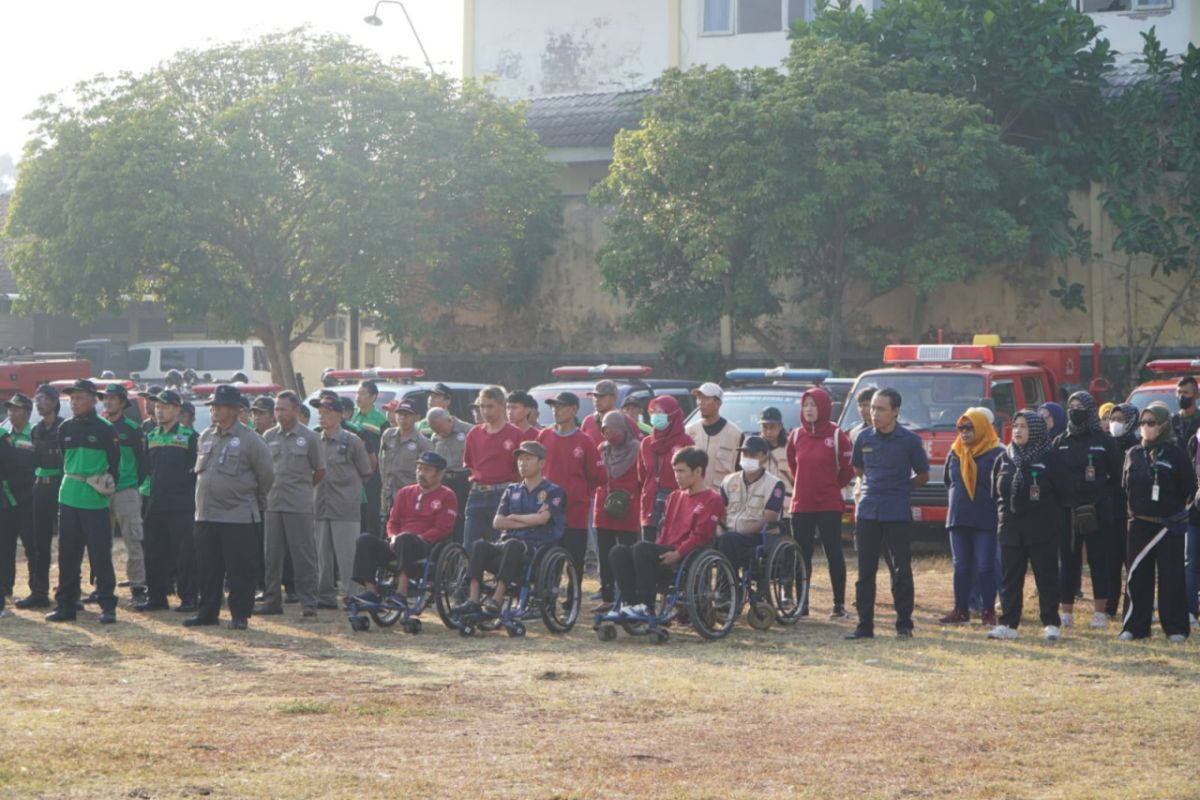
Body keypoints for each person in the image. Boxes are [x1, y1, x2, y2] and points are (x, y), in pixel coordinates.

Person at [186, 384, 274, 630]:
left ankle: (239, 614)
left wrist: (253, 499)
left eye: (220, 405)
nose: (214, 410)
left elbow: (267, 476)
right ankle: (208, 613)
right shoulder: (205, 436)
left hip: (238, 516)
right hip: (206, 515)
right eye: (213, 405)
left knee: (239, 570)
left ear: (236, 410)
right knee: (207, 569)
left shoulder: (250, 440)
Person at [846, 387, 929, 640]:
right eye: (872, 408)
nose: (875, 413)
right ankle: (864, 626)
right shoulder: (863, 438)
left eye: (881, 409)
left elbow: (923, 475)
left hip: (897, 512)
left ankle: (904, 624)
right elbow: (858, 469)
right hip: (868, 511)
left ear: (895, 412)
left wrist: (901, 488)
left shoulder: (910, 441)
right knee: (865, 571)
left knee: (901, 570)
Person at [453, 441, 566, 617]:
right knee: (479, 545)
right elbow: (498, 522)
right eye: (520, 459)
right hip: (505, 544)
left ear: (541, 463)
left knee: (514, 544)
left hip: (534, 548)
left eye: (528, 459)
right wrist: (528, 519)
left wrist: (513, 518)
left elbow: (542, 519)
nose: (522, 463)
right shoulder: (512, 490)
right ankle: (473, 600)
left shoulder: (553, 490)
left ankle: (497, 599)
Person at [610, 446, 724, 617]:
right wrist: (656, 550)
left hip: (687, 555)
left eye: (681, 471)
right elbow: (665, 530)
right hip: (666, 550)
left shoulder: (713, 499)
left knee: (641, 548)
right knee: (618, 551)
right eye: (675, 471)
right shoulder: (674, 496)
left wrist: (677, 554)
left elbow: (701, 536)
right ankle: (631, 604)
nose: (676, 476)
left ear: (698, 471)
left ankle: (646, 606)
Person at [987, 410, 1069, 641]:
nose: (1018, 431)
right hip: (1010, 527)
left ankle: (1051, 623)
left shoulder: (1050, 458)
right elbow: (995, 493)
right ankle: (1008, 624)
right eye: (1015, 426)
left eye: (1024, 426)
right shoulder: (1004, 458)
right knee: (1010, 577)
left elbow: (1063, 493)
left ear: (1035, 430)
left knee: (1046, 577)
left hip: (1042, 528)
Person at [46, 379, 122, 624]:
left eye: (79, 398)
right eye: (71, 398)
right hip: (68, 499)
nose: (74, 402)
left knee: (100, 556)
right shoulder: (65, 428)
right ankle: (66, 605)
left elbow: (114, 466)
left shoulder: (105, 429)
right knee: (67, 555)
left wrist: (104, 485)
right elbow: (62, 462)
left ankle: (107, 606)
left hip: (95, 503)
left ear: (92, 398)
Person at [1120, 402, 1194, 642]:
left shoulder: (1177, 454)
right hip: (1139, 524)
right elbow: (1125, 485)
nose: (1145, 428)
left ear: (1163, 425)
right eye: (1143, 423)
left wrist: (1174, 513)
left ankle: (1175, 628)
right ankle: (1135, 626)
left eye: (1151, 423)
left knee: (1171, 577)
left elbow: (1188, 487)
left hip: (1167, 527)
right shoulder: (1133, 453)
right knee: (1137, 575)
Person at [351, 450, 458, 603]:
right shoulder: (405, 492)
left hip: (425, 546)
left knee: (406, 539)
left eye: (426, 470)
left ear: (439, 474)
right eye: (419, 469)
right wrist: (393, 537)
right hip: (398, 543)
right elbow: (393, 522)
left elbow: (443, 529)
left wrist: (419, 538)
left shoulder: (447, 495)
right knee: (364, 540)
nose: (421, 473)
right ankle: (370, 591)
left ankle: (401, 592)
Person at [1055, 391, 1123, 629]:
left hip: (1098, 509)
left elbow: (1116, 477)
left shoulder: (1104, 441)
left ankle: (1100, 613)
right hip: (1068, 510)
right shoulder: (1061, 441)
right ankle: (1066, 613)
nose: (1075, 410)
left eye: (1079, 406)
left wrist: (1103, 501)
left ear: (1090, 411)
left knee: (1098, 561)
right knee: (1069, 560)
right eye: (1071, 405)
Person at [257, 391, 325, 618]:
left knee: (303, 555)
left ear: (296, 411)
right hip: (273, 503)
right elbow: (263, 469)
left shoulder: (309, 437)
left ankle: (309, 603)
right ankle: (272, 601)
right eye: (276, 409)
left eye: (283, 409)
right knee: (272, 556)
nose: (278, 413)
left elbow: (320, 471)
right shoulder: (267, 436)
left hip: (299, 504)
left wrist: (302, 488)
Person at [787, 388, 854, 619]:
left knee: (833, 552)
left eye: (814, 405)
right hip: (801, 504)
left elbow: (847, 471)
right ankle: (802, 604)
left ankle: (838, 605)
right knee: (801, 554)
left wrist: (830, 487)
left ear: (824, 407)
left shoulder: (837, 435)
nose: (809, 410)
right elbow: (794, 467)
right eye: (805, 405)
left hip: (829, 504)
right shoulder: (795, 436)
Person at [136, 389, 199, 613]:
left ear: (176, 409)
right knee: (154, 551)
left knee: (184, 553)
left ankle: (189, 597)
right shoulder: (151, 436)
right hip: (155, 502)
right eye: (157, 407)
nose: (159, 411)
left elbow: (196, 471)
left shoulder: (190, 437)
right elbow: (144, 469)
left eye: (164, 407)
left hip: (182, 505)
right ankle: (157, 596)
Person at [939, 408, 1003, 626]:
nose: (964, 432)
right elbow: (950, 482)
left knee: (985, 566)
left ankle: (987, 612)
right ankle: (961, 610)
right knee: (961, 566)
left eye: (970, 427)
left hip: (986, 518)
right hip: (958, 518)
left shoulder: (996, 453)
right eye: (961, 428)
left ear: (982, 428)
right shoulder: (955, 452)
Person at [312, 394, 371, 609]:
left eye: (327, 413)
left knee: (347, 555)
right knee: (322, 556)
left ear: (339, 415)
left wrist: (347, 489)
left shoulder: (352, 441)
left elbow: (365, 471)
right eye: (319, 413)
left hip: (345, 506)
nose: (322, 417)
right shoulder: (314, 440)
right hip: (320, 504)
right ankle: (324, 595)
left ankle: (353, 595)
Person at [537, 391, 602, 577]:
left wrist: (577, 491)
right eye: (553, 407)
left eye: (560, 406)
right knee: (547, 559)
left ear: (573, 410)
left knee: (574, 559)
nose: (555, 411)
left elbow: (597, 476)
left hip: (575, 510)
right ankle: (547, 600)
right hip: (546, 509)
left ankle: (573, 599)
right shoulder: (544, 436)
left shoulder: (585, 441)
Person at [14, 386, 64, 610]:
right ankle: (39, 591)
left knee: (68, 543)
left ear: (54, 402)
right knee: (39, 543)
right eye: (37, 399)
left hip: (62, 488)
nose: (39, 403)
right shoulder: (36, 430)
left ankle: (67, 591)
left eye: (43, 399)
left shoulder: (65, 427)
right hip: (40, 490)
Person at [99, 382, 147, 603]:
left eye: (112, 398)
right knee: (99, 541)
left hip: (126, 491)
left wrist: (130, 482)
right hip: (99, 491)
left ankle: (138, 587)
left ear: (122, 402)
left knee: (133, 539)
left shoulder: (132, 429)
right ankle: (101, 587)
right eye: (105, 398)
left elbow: (143, 462)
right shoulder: (97, 426)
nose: (107, 402)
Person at [462, 386, 524, 549]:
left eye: (490, 406)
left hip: (503, 493)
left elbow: (520, 469)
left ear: (502, 406)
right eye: (482, 406)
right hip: (477, 493)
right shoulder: (474, 433)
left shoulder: (515, 434)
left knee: (500, 545)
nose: (485, 411)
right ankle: (472, 575)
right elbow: (470, 464)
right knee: (469, 545)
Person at [593, 410, 642, 613]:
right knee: (604, 554)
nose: (609, 434)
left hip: (628, 508)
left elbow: (643, 478)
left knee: (627, 553)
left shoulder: (637, 450)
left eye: (613, 429)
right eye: (605, 429)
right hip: (603, 508)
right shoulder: (602, 449)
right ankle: (607, 596)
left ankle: (629, 596)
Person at [716, 436, 785, 571]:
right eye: (744, 454)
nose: (747, 458)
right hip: (730, 534)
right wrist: (719, 532)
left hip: (757, 536)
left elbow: (769, 518)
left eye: (753, 455)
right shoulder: (729, 481)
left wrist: (741, 533)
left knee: (729, 540)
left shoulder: (774, 484)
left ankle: (726, 587)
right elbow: (719, 512)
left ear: (765, 457)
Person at [637, 395, 694, 541]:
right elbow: (642, 476)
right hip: (650, 505)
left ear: (673, 415)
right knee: (646, 551)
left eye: (660, 412)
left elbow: (693, 477)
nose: (656, 416)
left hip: (677, 506)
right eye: (653, 411)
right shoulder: (646, 443)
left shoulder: (685, 441)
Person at [0, 394, 36, 617]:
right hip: (5, 499)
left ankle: (37, 591)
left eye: (17, 409)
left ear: (28, 412)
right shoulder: (3, 434)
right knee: (5, 548)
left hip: (28, 499)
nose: (12, 413)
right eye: (10, 409)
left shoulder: (36, 434)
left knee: (33, 547)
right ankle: (5, 588)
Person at [1106, 402, 1140, 621]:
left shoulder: (1137, 446)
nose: (1116, 424)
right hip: (1109, 511)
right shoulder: (1107, 445)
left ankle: (1136, 606)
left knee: (1132, 563)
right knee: (1111, 562)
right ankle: (1109, 608)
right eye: (1112, 419)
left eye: (1121, 420)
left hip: (1131, 512)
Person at [379, 399, 431, 520]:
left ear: (417, 417)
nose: (403, 418)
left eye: (407, 415)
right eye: (400, 414)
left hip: (410, 497)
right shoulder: (388, 435)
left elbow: (428, 476)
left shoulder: (423, 443)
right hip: (388, 497)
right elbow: (381, 462)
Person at [685, 382, 742, 491]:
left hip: (722, 500)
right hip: (693, 498)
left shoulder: (735, 435)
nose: (701, 402)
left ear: (718, 403)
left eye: (706, 398)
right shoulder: (689, 432)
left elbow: (740, 473)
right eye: (699, 398)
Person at [352, 381, 388, 537]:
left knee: (371, 511)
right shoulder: (351, 415)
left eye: (362, 393)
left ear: (373, 397)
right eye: (357, 393)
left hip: (373, 472)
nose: (358, 397)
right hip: (352, 471)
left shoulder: (381, 420)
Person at [581, 380, 619, 446]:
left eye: (601, 396)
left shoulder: (625, 421)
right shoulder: (588, 421)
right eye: (595, 396)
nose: (597, 400)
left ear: (614, 398)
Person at [1171, 376, 1200, 447]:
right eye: (1179, 392)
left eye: (1185, 393)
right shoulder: (1172, 421)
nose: (1181, 396)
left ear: (1196, 395)